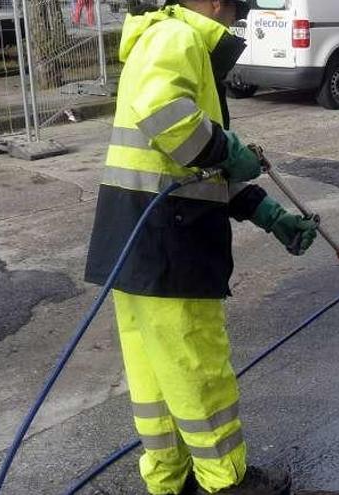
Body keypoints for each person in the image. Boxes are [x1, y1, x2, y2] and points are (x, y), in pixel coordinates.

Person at [83, 0, 318, 493]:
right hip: (172, 241)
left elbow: (195, 170)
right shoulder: (180, 38)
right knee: (197, 367)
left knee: (157, 376)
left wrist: (268, 214)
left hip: (137, 242)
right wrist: (227, 149)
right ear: (214, 3)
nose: (237, 20)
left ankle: (171, 480)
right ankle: (226, 481)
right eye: (235, 9)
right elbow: (165, 116)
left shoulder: (160, 38)